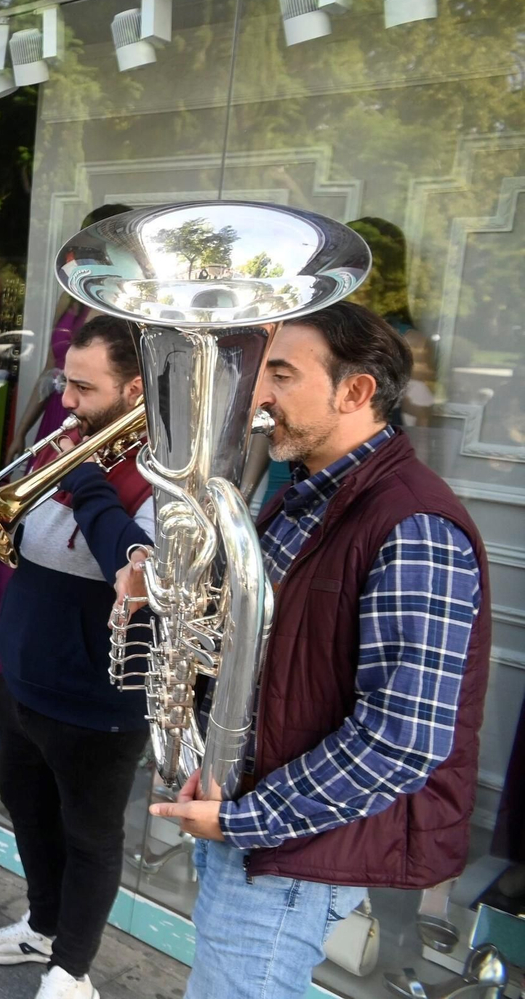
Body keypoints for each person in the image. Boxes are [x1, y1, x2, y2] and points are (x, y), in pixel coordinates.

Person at [127, 302, 489, 999]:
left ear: (355, 391)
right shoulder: (310, 494)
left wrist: (245, 821)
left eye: (282, 376)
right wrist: (162, 578)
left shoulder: (414, 525)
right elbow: (266, 637)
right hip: (255, 824)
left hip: (287, 848)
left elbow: (402, 740)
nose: (258, 396)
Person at [0, 317, 153, 999]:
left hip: (97, 698)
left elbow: (131, 567)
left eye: (83, 388)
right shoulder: (71, 447)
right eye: (64, 383)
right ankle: (43, 926)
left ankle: (72, 970)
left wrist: (86, 478)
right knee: (28, 808)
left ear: (135, 391)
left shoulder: (165, 477)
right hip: (25, 678)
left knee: (91, 837)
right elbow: (43, 545)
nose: (66, 401)